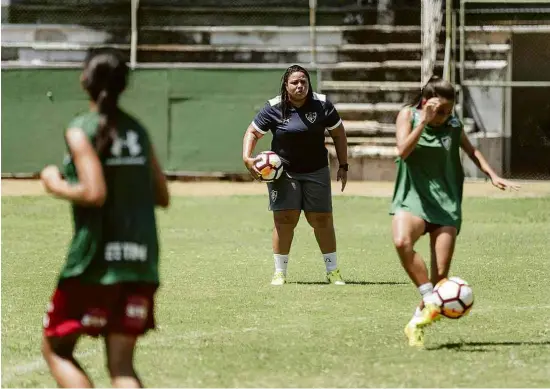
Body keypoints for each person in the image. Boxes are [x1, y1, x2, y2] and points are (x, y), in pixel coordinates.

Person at [40, 48, 170, 388]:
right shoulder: (138, 130)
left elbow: (94, 192)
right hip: (140, 260)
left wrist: (55, 184)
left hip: (94, 263)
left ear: (84, 79)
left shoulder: (80, 129)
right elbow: (162, 196)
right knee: (122, 366)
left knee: (57, 349)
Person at [390, 75, 520, 348]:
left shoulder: (452, 124)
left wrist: (492, 175)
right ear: (426, 103)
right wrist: (424, 121)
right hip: (411, 198)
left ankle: (416, 324)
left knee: (441, 281)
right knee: (402, 242)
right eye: (440, 110)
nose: (445, 116)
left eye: (449, 111)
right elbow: (402, 151)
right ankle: (427, 297)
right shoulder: (408, 116)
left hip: (446, 204)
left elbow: (472, 151)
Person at [242, 64, 349, 286]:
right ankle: (280, 272)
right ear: (286, 85)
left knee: (321, 219)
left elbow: (338, 133)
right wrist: (247, 158)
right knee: (284, 219)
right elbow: (252, 132)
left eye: (304, 82)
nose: (300, 86)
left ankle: (333, 271)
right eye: (295, 82)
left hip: (316, 170)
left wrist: (343, 165)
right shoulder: (274, 107)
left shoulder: (322, 104)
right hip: (283, 173)